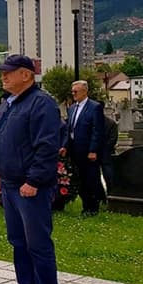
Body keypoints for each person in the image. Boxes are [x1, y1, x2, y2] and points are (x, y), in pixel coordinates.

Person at [0, 54, 62, 284]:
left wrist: (35, 181)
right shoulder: (7, 105)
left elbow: (47, 147)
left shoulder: (42, 104)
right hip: (8, 185)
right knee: (18, 241)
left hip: (30, 187)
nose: (3, 76)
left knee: (38, 244)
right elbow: (0, 141)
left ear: (27, 75)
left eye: (9, 72)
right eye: (2, 72)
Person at [59, 80, 105, 216]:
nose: (73, 94)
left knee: (90, 179)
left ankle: (92, 208)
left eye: (76, 91)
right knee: (79, 179)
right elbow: (69, 129)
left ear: (85, 91)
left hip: (87, 150)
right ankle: (85, 206)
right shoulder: (72, 108)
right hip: (74, 149)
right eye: (72, 91)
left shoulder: (94, 107)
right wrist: (65, 146)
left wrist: (93, 150)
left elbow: (97, 131)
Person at [101, 107, 118, 196]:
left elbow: (112, 139)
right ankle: (104, 196)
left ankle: (111, 194)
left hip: (106, 154)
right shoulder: (92, 122)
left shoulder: (111, 123)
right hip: (101, 153)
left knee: (108, 175)